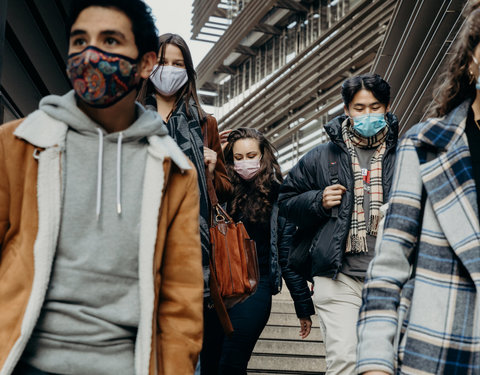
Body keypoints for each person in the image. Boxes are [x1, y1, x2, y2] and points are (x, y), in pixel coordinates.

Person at [0, 1, 204, 374]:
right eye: (80, 41)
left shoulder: (175, 172)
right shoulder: (16, 144)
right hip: (22, 360)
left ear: (144, 65)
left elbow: (181, 306)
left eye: (109, 41)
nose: (90, 54)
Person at [357, 4, 480, 375]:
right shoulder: (426, 146)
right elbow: (389, 267)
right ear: (472, 57)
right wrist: (375, 362)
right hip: (439, 351)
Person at [278, 73, 399, 374]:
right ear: (346, 110)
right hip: (337, 276)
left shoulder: (406, 153)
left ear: (387, 107)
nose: (367, 114)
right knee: (345, 359)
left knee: (387, 363)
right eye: (359, 108)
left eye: (375, 107)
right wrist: (317, 200)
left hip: (392, 278)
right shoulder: (321, 156)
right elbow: (285, 202)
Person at [201, 128, 313, 374]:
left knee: (231, 364)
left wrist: (302, 306)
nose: (245, 162)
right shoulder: (218, 188)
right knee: (208, 363)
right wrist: (208, 162)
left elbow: (287, 254)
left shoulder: (279, 194)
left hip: (255, 287)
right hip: (215, 288)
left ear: (264, 156)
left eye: (251, 155)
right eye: (237, 157)